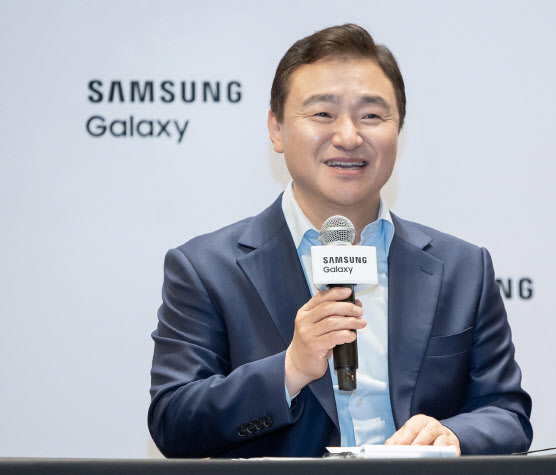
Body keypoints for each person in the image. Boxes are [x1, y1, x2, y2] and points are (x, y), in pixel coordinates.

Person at [148, 23, 532, 458]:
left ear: (398, 130)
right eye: (322, 114)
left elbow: (506, 414)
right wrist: (290, 369)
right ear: (276, 129)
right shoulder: (206, 269)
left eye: (371, 116)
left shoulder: (463, 268)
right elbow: (173, 422)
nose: (348, 137)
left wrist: (453, 436)